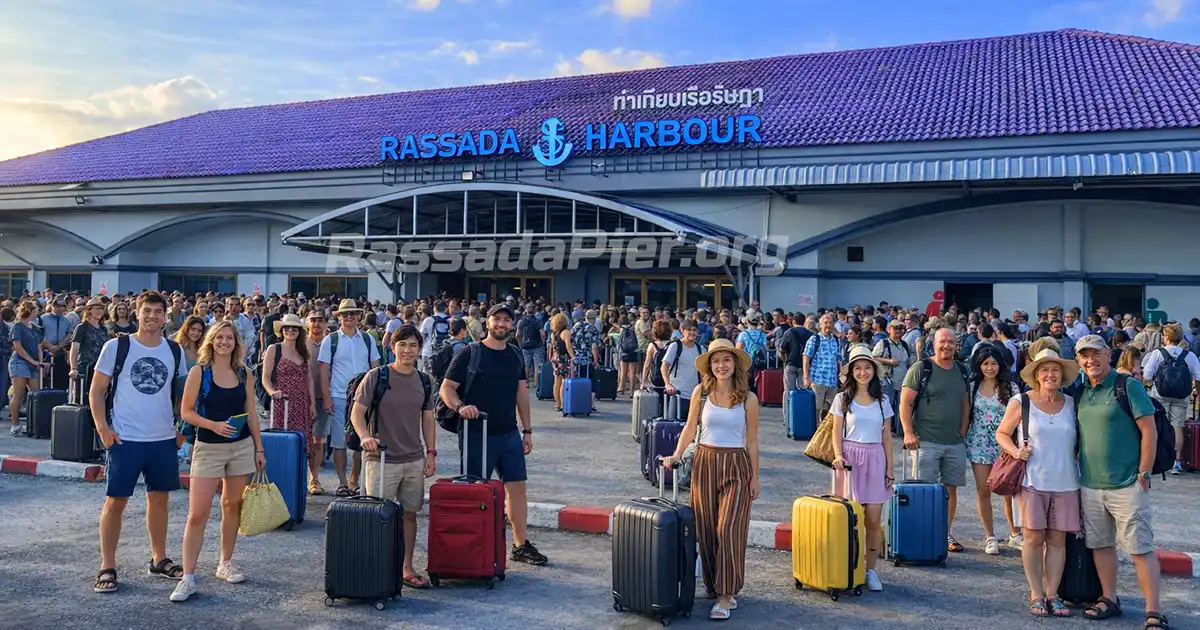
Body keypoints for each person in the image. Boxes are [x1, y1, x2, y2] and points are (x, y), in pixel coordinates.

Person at [88, 291, 189, 594]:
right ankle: (107, 565)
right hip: (124, 438)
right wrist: (103, 428)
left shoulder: (174, 351)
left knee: (159, 499)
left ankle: (158, 558)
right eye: (147, 311)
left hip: (162, 438)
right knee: (115, 502)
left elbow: (184, 394)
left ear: (165, 316)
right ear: (137, 312)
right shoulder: (116, 346)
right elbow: (96, 390)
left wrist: (182, 430)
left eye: (159, 312)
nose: (153, 317)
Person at [439, 304, 548, 567]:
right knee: (477, 491)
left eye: (506, 321)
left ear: (513, 326)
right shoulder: (469, 353)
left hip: (508, 432)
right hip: (477, 432)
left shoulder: (514, 354)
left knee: (517, 488)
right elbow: (447, 388)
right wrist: (460, 407)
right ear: (487, 322)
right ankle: (474, 544)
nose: (501, 324)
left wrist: (528, 430)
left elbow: (522, 393)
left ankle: (520, 545)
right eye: (496, 319)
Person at [1071, 335, 1168, 628]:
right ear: (1078, 361)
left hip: (1128, 483)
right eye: (1084, 356)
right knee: (1101, 545)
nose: (1091, 361)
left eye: (1096, 354)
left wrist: (1144, 473)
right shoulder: (1080, 392)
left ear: (1107, 356)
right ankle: (1109, 597)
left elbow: (1149, 431)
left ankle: (1154, 610)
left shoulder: (1128, 386)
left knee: (1139, 548)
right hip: (1090, 484)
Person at [661, 338, 759, 620]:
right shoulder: (701, 392)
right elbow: (690, 427)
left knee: (729, 529)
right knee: (705, 529)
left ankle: (726, 595)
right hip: (704, 461)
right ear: (709, 366)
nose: (721, 366)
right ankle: (715, 584)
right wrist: (676, 455)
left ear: (735, 364)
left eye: (726, 360)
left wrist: (755, 477)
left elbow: (752, 441)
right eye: (716, 361)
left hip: (737, 465)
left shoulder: (749, 399)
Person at [171, 320, 266, 602]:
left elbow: (251, 412)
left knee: (231, 505)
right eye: (220, 337)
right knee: (197, 513)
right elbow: (186, 412)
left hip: (241, 446)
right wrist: (213, 425)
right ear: (211, 341)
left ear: (236, 343)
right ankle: (187, 577)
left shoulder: (244, 373)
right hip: (208, 447)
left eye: (230, 338)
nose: (225, 342)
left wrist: (259, 449)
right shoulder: (199, 372)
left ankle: (225, 562)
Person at [995, 349, 1082, 618]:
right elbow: (1002, 433)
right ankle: (1036, 594)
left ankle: (1053, 594)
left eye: (1055, 370)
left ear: (1062, 375)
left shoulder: (1071, 403)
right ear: (1035, 375)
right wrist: (1015, 451)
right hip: (1033, 479)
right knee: (1033, 538)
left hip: (1067, 480)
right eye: (1044, 370)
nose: (1050, 374)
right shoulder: (1021, 402)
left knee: (1058, 541)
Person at [351, 324, 437, 590]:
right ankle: (376, 567)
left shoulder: (424, 380)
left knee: (409, 515)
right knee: (377, 515)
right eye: (403, 344)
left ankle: (406, 567)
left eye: (413, 345)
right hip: (381, 459)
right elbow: (357, 413)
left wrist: (431, 452)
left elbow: (428, 418)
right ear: (392, 347)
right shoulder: (376, 377)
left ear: (419, 350)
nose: (408, 350)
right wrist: (365, 436)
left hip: (412, 458)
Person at [899, 327, 970, 553]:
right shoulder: (921, 368)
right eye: (942, 342)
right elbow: (905, 402)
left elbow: (965, 403)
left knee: (950, 490)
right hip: (926, 440)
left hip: (955, 442)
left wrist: (963, 430)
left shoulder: (961, 369)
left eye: (950, 342)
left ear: (956, 345)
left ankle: (944, 534)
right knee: (924, 490)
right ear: (934, 343)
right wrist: (908, 431)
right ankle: (923, 533)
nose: (946, 346)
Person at [828, 344, 892, 593]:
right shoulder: (841, 398)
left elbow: (887, 436)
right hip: (850, 460)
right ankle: (848, 567)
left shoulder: (882, 401)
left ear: (874, 371)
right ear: (851, 371)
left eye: (867, 368)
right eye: (858, 368)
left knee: (873, 520)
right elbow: (835, 431)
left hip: (875, 457)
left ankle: (871, 569)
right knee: (848, 518)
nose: (863, 372)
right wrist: (838, 456)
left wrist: (889, 469)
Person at [318, 299, 381, 497]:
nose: (349, 317)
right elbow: (323, 371)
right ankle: (342, 482)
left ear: (359, 317)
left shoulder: (368, 339)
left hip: (364, 398)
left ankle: (354, 479)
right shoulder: (331, 340)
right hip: (338, 396)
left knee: (361, 441)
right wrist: (327, 398)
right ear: (339, 317)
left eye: (352, 314)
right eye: (345, 314)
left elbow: (376, 366)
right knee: (339, 442)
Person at [965, 345, 1022, 555]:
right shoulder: (972, 386)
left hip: (1005, 444)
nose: (990, 368)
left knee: (1008, 489)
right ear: (979, 366)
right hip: (978, 442)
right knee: (983, 489)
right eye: (985, 363)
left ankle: (1014, 533)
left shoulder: (1011, 387)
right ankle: (990, 536)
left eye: (994, 363)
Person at [262, 314, 320, 493]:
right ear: (281, 330)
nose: (290, 331)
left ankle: (301, 484)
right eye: (287, 328)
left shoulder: (304, 351)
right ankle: (279, 483)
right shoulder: (274, 349)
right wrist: (272, 392)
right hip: (282, 402)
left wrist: (312, 404)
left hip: (301, 402)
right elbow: (265, 377)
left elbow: (309, 378)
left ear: (300, 331)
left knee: (303, 444)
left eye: (294, 328)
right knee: (282, 442)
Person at [1140, 323, 1200, 475]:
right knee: (1177, 426)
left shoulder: (1158, 353)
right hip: (1181, 395)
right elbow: (1198, 376)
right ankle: (1176, 462)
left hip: (1160, 394)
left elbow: (1146, 375)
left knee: (1159, 426)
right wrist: (1197, 391)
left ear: (1166, 337)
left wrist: (1150, 385)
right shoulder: (1189, 355)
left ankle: (1158, 458)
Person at [8, 302, 44, 436]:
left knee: (36, 394)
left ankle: (32, 424)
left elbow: (39, 346)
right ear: (29, 311)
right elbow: (18, 347)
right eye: (35, 310)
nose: (37, 312)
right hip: (19, 362)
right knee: (19, 393)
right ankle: (15, 425)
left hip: (34, 364)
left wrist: (39, 361)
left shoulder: (35, 328)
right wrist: (32, 361)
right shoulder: (17, 327)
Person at [803, 313, 842, 420]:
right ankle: (815, 434)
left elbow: (838, 360)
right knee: (816, 410)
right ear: (820, 325)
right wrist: (806, 377)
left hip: (832, 382)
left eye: (830, 323)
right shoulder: (814, 339)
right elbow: (806, 358)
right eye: (825, 323)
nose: (828, 325)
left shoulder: (835, 341)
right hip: (818, 381)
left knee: (831, 411)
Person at [661, 319, 704, 411]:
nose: (692, 332)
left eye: (694, 330)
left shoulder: (701, 349)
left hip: (695, 395)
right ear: (682, 331)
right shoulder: (675, 346)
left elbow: (703, 372)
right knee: (675, 423)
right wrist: (668, 384)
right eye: (689, 330)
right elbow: (664, 366)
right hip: (677, 393)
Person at [549, 313, 572, 412]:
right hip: (563, 358)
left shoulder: (554, 333)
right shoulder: (566, 332)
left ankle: (557, 404)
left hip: (555, 357)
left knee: (556, 381)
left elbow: (551, 346)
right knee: (564, 381)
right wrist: (573, 356)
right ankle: (563, 404)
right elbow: (568, 346)